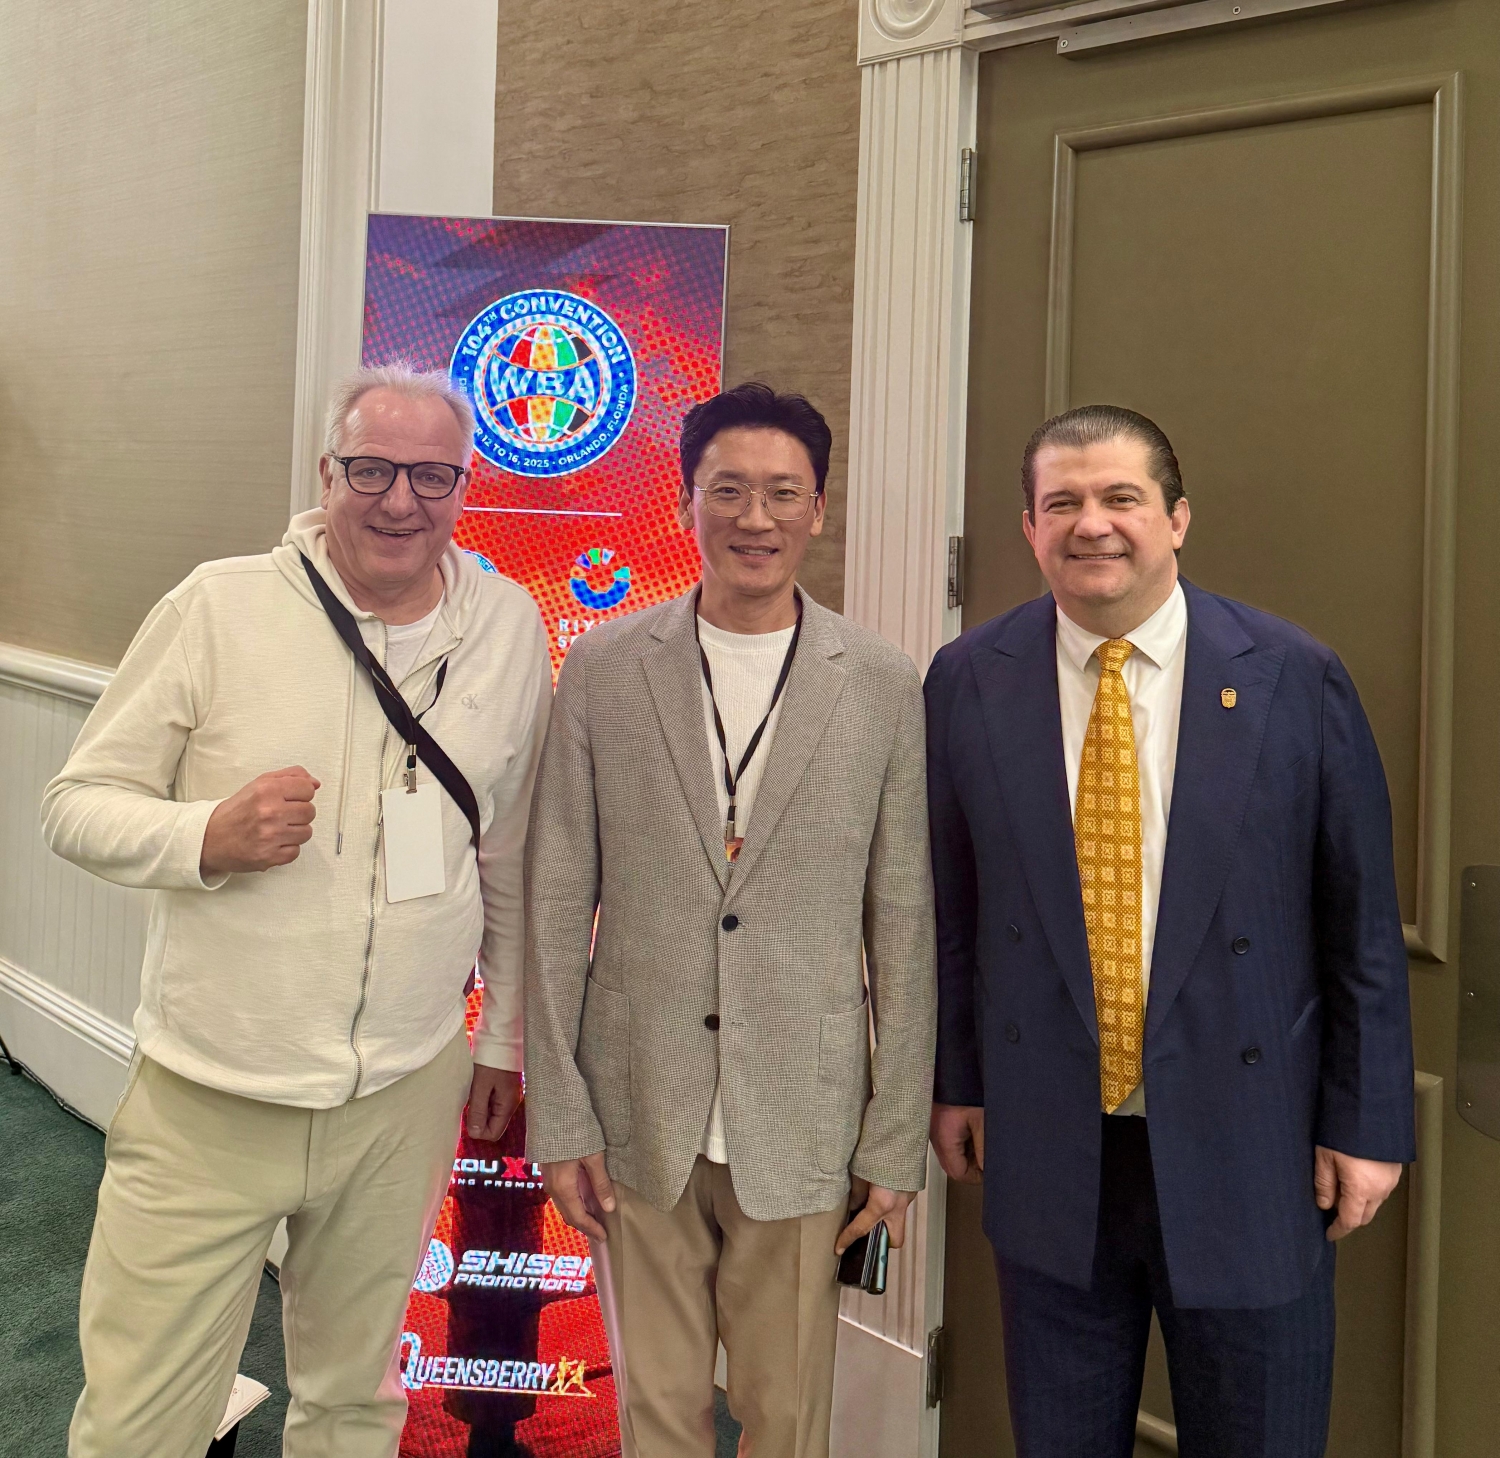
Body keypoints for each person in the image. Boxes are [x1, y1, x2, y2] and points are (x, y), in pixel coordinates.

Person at [42, 364, 552, 1458]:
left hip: (405, 1091)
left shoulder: (509, 625)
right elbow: (75, 805)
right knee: (140, 1419)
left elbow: (505, 849)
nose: (400, 501)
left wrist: (502, 1038)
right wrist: (204, 838)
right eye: (371, 469)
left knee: (355, 1402)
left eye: (431, 475)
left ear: (465, 488)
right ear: (327, 475)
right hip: (213, 1092)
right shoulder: (218, 607)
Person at [925, 405, 1415, 1457]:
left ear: (1178, 519)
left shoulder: (1293, 675)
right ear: (1029, 528)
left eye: (1121, 498)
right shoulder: (968, 678)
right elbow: (955, 911)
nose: (1091, 524)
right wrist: (957, 1078)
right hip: (1051, 1142)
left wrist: (1368, 1122)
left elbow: (1362, 924)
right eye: (1063, 502)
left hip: (1252, 1146)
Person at [522, 382, 936, 1458]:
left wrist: (894, 1138)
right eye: (729, 490)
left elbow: (904, 924)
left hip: (804, 1117)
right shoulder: (605, 668)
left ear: (818, 509)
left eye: (784, 493)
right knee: (655, 1413)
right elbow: (558, 898)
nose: (757, 517)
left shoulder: (881, 684)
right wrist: (560, 1117)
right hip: (636, 1110)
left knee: (785, 1418)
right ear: (685, 503)